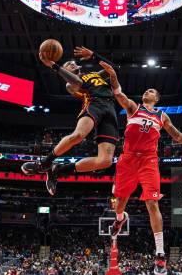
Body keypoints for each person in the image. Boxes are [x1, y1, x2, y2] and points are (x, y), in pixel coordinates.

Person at [101, 61, 182, 275]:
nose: (146, 91)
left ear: (157, 99)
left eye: (151, 91)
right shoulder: (133, 107)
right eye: (146, 90)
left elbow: (177, 135)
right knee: (120, 202)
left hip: (149, 161)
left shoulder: (162, 116)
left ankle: (160, 253)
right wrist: (113, 74)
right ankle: (120, 219)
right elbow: (118, 93)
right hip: (128, 159)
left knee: (152, 202)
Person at [21, 46, 119, 196]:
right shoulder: (70, 85)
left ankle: (58, 170)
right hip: (93, 104)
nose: (72, 63)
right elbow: (77, 83)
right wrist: (54, 65)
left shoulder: (95, 74)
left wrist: (94, 55)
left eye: (73, 62)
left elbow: (113, 68)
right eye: (68, 64)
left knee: (105, 161)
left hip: (111, 109)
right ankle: (45, 163)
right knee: (78, 135)